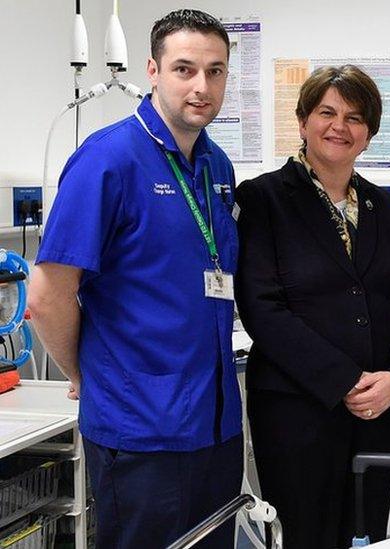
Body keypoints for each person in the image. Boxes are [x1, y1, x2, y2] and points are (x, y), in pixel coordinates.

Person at [29, 9, 242, 548]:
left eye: (215, 71)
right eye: (185, 69)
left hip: (215, 426)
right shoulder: (108, 159)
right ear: (152, 70)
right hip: (142, 431)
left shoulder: (216, 166)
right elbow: (49, 291)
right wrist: (86, 372)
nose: (202, 87)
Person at [234, 64, 390, 548]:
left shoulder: (386, 206)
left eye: (355, 117)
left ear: (369, 136)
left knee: (368, 533)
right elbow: (262, 309)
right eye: (327, 112)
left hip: (380, 411)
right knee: (305, 535)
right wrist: (343, 380)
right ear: (302, 122)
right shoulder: (262, 199)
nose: (340, 126)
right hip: (298, 412)